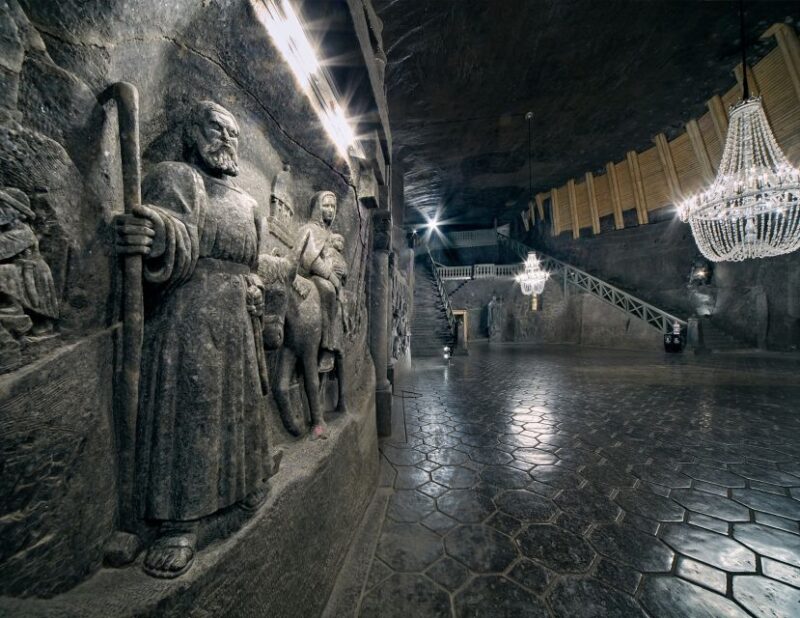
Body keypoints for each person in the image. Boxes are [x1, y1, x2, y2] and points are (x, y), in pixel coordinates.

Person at [115, 100, 278, 579]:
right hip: (189, 316)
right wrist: (154, 234)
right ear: (192, 133)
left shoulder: (248, 204)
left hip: (236, 319)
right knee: (194, 410)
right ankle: (179, 523)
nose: (226, 138)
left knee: (243, 406)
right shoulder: (177, 177)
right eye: (216, 127)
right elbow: (173, 228)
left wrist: (254, 285)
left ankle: (247, 483)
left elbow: (253, 264)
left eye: (233, 132)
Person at [0, 187, 59, 339]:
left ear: (19, 212)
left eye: (3, 207)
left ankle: (18, 315)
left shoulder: (22, 233)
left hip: (32, 273)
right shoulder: (10, 232)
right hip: (21, 270)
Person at [294, 191, 340, 373]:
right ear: (316, 208)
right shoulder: (310, 229)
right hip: (310, 275)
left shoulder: (330, 234)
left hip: (328, 276)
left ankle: (330, 345)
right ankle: (327, 348)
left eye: (333, 206)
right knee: (327, 288)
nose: (330, 210)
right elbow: (310, 259)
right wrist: (332, 277)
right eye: (326, 205)